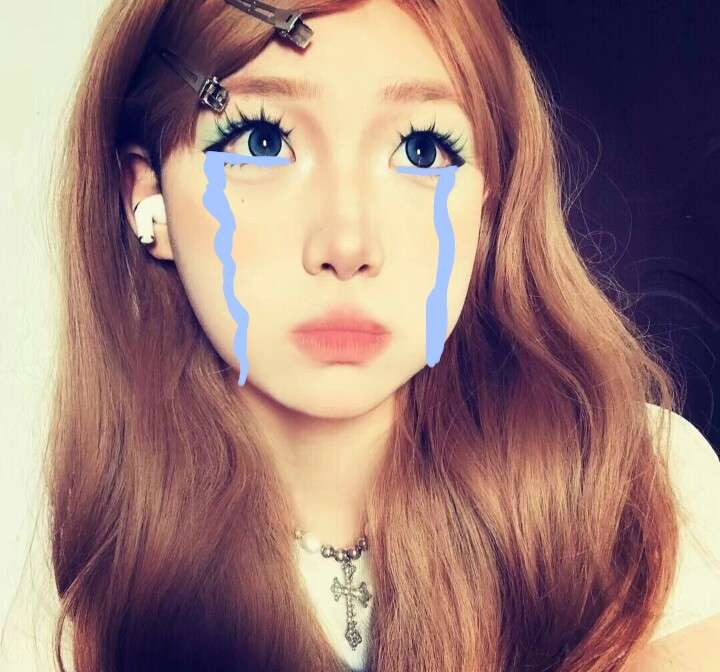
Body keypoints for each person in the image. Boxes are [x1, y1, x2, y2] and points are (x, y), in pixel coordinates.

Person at [1, 0, 719, 670]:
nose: (346, 245)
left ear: (488, 205)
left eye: (422, 151)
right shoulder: (76, 624)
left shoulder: (640, 495)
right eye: (261, 140)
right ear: (147, 196)